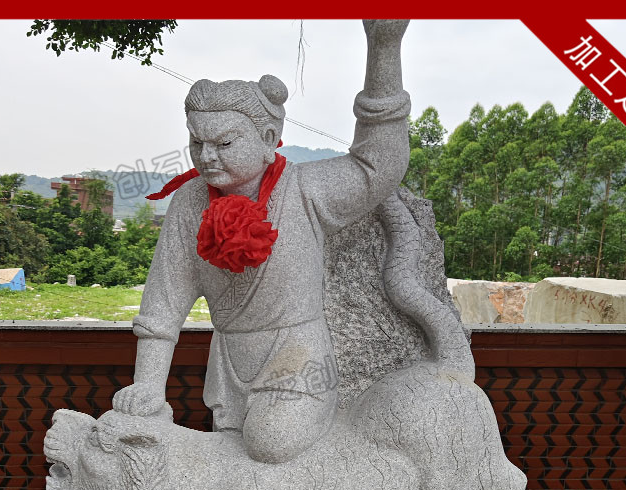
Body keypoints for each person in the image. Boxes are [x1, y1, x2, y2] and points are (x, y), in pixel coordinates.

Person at [113, 20, 411, 463]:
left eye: (224, 143)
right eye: (196, 143)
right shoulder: (190, 202)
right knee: (234, 455)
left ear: (268, 138)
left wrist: (383, 47)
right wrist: (149, 386)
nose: (207, 156)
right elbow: (163, 306)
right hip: (230, 360)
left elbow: (378, 166)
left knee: (271, 442)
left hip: (301, 359)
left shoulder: (305, 189)